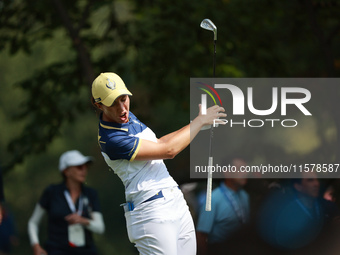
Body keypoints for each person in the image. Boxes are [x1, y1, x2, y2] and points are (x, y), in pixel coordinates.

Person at [91, 72, 226, 255]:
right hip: (150, 212)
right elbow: (168, 150)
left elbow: (159, 142)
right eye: (113, 103)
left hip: (175, 201)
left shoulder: (127, 117)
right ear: (99, 105)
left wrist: (196, 125)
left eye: (123, 99)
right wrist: (199, 121)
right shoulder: (111, 139)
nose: (122, 108)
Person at [27, 150, 105, 255]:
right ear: (66, 171)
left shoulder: (91, 194)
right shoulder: (52, 192)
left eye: (86, 167)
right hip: (56, 250)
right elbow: (33, 222)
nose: (84, 170)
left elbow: (100, 228)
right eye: (79, 167)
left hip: (86, 251)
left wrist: (83, 221)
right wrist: (36, 246)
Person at [257, 171, 340, 250]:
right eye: (310, 180)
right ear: (298, 186)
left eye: (316, 179)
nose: (316, 184)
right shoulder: (286, 214)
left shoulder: (329, 208)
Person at [196, 158, 250, 255]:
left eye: (246, 169)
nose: (245, 172)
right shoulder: (213, 199)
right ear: (227, 173)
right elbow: (201, 235)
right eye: (240, 169)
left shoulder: (245, 196)